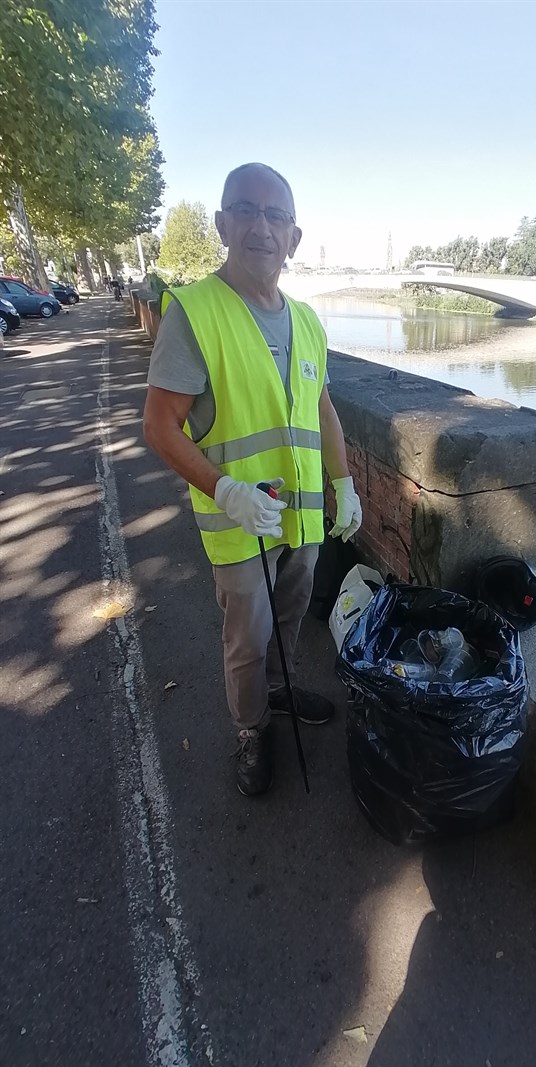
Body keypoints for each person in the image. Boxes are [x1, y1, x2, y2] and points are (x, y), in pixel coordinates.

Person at [142, 163, 362, 797]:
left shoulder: (309, 322)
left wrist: (342, 484)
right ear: (222, 224)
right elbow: (160, 427)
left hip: (300, 517)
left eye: (276, 216)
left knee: (288, 617)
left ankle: (279, 690)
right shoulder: (196, 311)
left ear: (294, 238)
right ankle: (250, 729)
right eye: (246, 209)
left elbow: (322, 409)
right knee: (247, 635)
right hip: (240, 522)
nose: (261, 226)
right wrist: (227, 492)